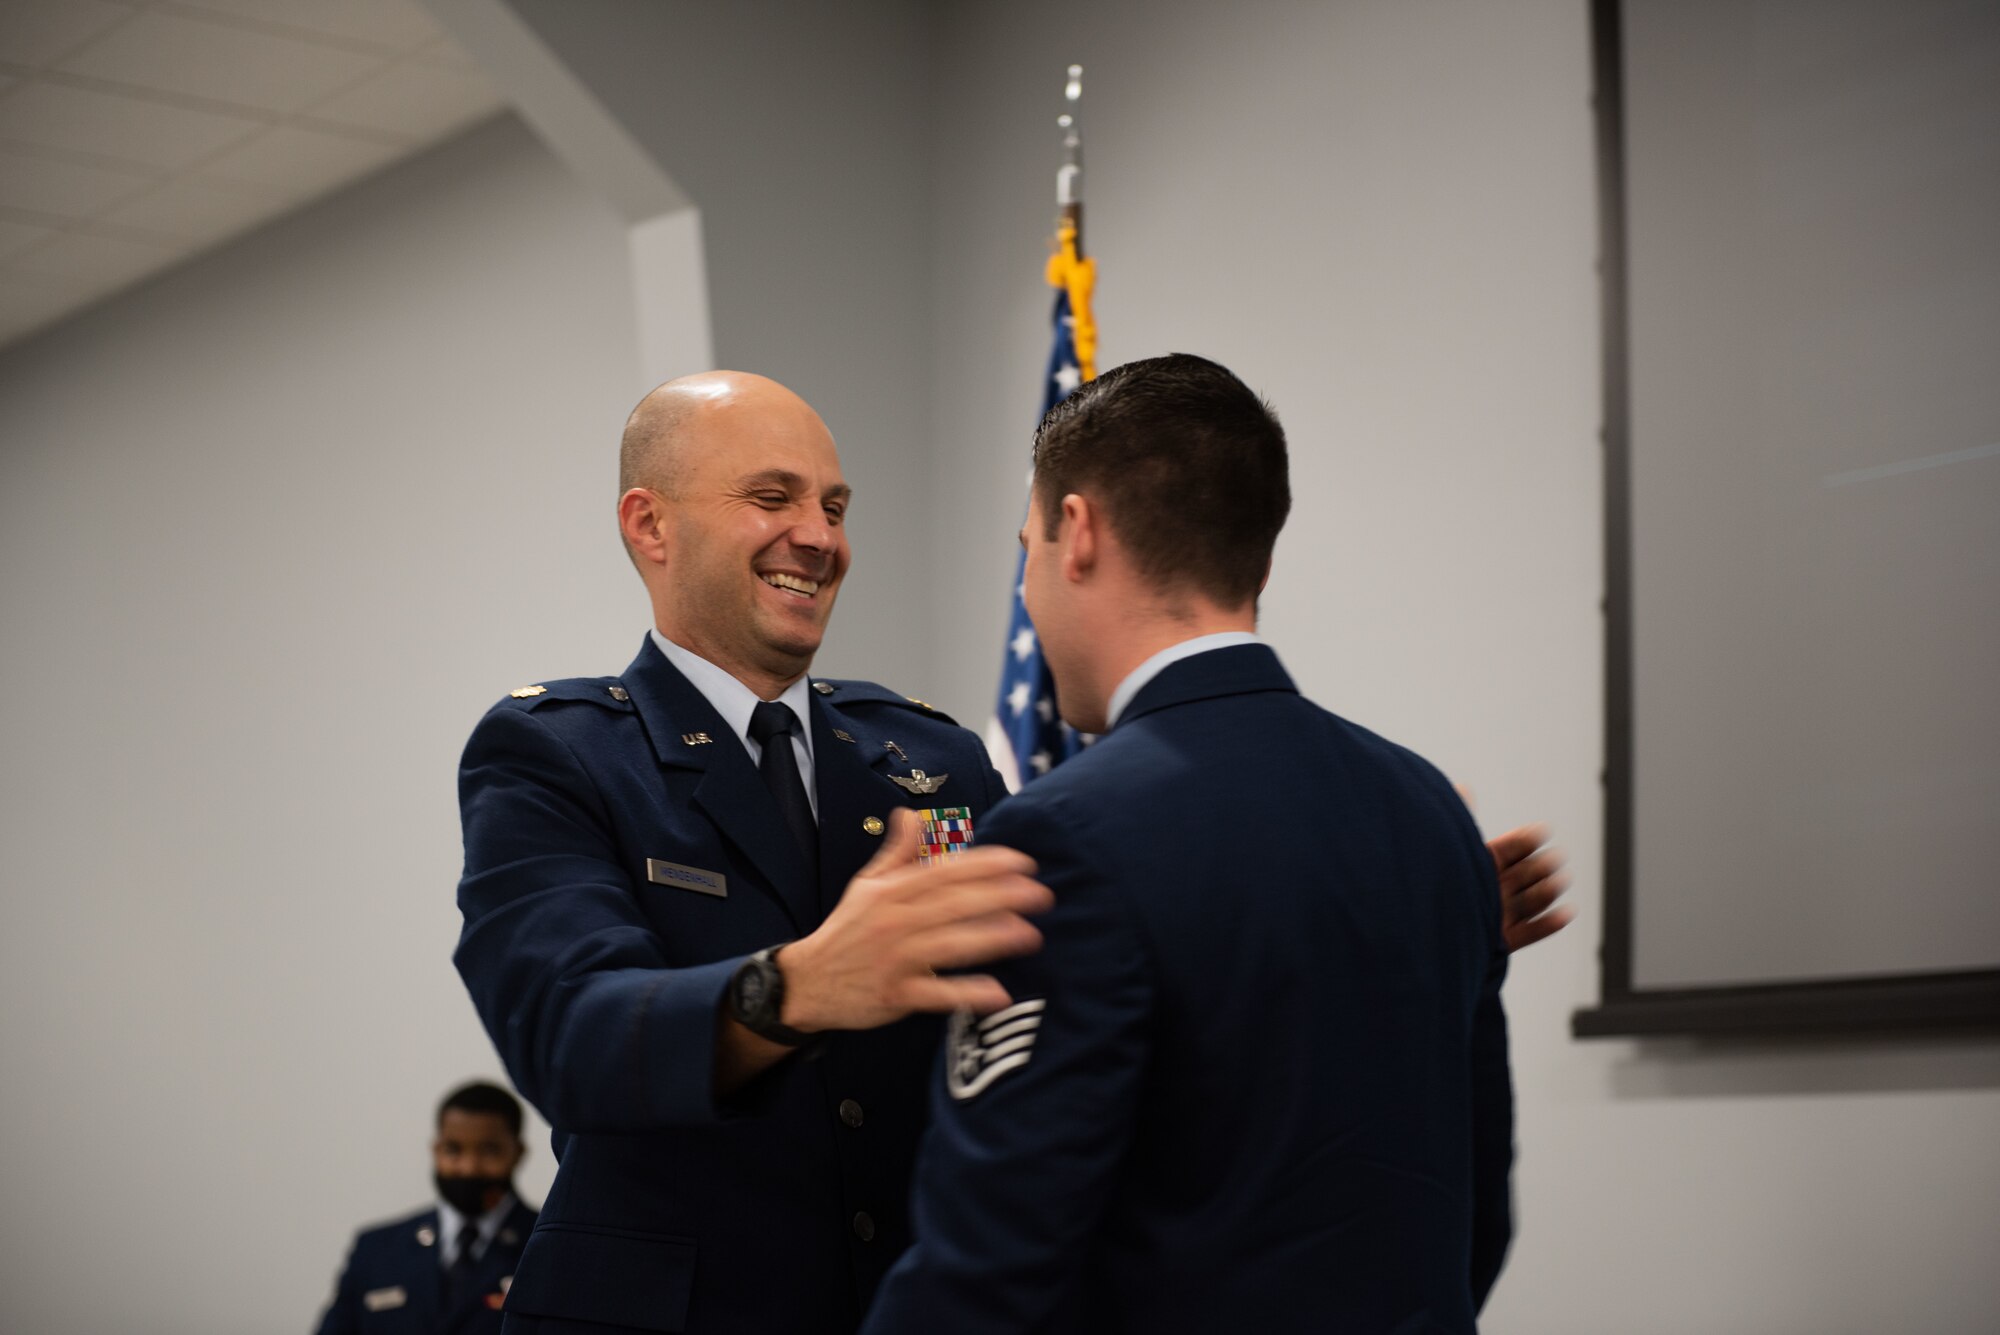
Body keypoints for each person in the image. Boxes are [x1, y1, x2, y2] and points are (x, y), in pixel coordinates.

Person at [453, 371, 1568, 1334]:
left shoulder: (925, 760)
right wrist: (791, 988)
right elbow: (568, 1036)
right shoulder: (556, 756)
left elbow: (1060, 995)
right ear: (648, 525)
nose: (819, 535)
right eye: (771, 497)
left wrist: (1360, 919)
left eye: (835, 504)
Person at [862, 354, 1515, 1334]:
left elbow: (991, 1259)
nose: (1029, 593)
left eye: (1026, 547)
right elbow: (1472, 1213)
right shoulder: (1426, 810)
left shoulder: (1063, 834)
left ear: (1075, 533)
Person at [316, 1081, 539, 1335]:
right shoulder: (376, 1250)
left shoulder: (548, 1249)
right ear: (436, 1150)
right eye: (453, 1150)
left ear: (518, 1153)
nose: (468, 1168)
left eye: (489, 1151)